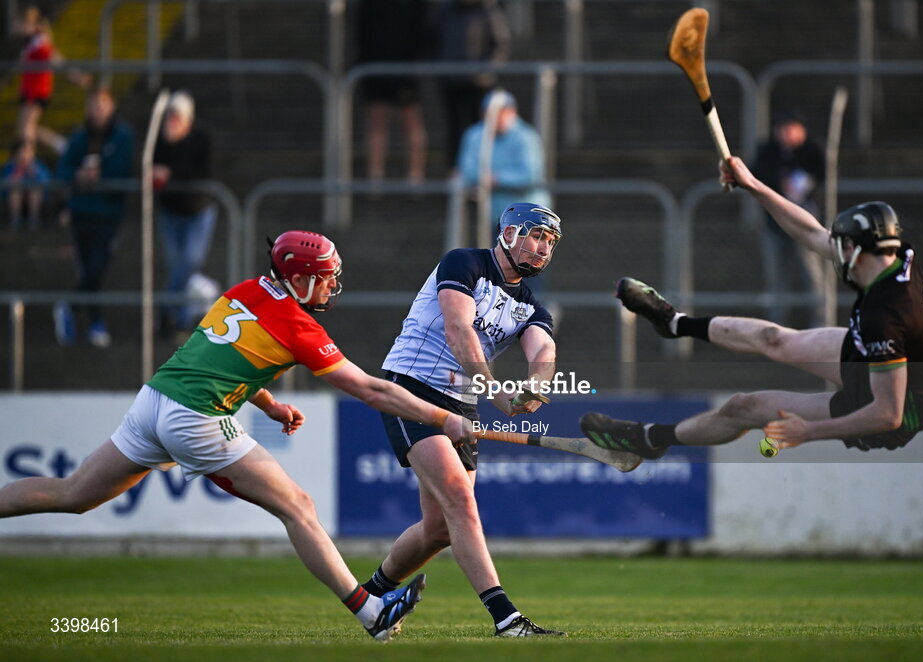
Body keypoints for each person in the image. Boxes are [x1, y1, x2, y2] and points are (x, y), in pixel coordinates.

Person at [0, 230, 479, 641]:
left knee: (75, 494)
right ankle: (370, 611)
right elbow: (373, 390)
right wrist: (443, 419)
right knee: (298, 507)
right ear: (299, 279)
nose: (333, 284)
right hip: (196, 416)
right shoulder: (299, 326)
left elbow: (225, 358)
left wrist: (269, 404)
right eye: (327, 276)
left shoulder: (246, 290)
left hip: (154, 401)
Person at [581, 156, 923, 455]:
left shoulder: (885, 316)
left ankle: (648, 439)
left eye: (841, 246)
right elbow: (811, 234)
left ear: (858, 251)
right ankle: (674, 323)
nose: (834, 250)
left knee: (746, 406)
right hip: (894, 362)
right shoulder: (891, 255)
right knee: (775, 338)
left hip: (899, 407)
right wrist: (754, 186)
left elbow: (887, 415)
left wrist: (808, 431)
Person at [365, 203, 566, 637]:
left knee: (439, 528)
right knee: (460, 499)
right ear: (508, 233)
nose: (543, 248)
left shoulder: (531, 306)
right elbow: (458, 329)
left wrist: (534, 386)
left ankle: (370, 597)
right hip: (412, 387)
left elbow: (543, 352)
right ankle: (506, 618)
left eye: (550, 242)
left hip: (462, 404)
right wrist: (496, 391)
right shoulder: (464, 262)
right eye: (536, 236)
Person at [53, 87, 134, 348]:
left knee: (97, 267)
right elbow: (63, 169)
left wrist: (101, 177)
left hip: (108, 213)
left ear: (112, 106)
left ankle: (70, 306)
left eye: (103, 105)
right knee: (88, 269)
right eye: (93, 105)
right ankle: (96, 322)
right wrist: (79, 176)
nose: (98, 111)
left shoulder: (122, 137)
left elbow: (124, 171)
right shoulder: (80, 137)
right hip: (82, 212)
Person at [751, 109, 826, 327]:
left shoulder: (812, 150)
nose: (786, 134)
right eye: (782, 130)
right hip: (773, 224)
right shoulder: (767, 151)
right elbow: (758, 174)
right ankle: (777, 320)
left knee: (811, 271)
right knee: (775, 274)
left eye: (791, 129)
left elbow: (820, 174)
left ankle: (820, 319)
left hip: (805, 226)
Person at [153, 91, 218, 340]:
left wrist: (172, 171)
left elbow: (204, 172)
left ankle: (166, 311)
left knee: (190, 260)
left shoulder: (201, 139)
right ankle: (178, 318)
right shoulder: (161, 141)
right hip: (171, 211)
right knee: (176, 264)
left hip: (197, 210)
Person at [457, 89, 550, 230]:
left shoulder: (526, 136)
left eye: (501, 112)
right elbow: (467, 169)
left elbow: (530, 175)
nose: (495, 118)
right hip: (492, 218)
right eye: (490, 113)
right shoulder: (475, 135)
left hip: (528, 219)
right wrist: (483, 178)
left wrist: (497, 179)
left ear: (512, 112)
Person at [357, 0, 429, 184]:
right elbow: (362, 29)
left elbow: (422, 28)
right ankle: (375, 178)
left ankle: (415, 177)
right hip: (375, 63)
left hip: (406, 66)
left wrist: (415, 62)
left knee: (410, 120)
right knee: (377, 120)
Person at [435, 0, 511, 169]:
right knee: (454, 131)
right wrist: (442, 68)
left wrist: (484, 73)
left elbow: (500, 46)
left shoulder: (489, 10)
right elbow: (434, 40)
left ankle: (481, 172)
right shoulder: (446, 11)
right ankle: (455, 174)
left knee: (481, 131)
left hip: (479, 85)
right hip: (451, 81)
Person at [15, 5, 89, 152]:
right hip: (28, 89)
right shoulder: (29, 42)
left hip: (37, 90)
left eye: (25, 23)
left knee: (27, 128)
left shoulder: (40, 41)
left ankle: (30, 159)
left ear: (33, 24)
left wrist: (76, 75)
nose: (21, 26)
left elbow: (55, 59)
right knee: (25, 128)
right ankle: (59, 145)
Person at [2, 138, 51, 231]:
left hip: (36, 200)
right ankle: (15, 220)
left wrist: (35, 174)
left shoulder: (38, 166)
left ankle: (34, 220)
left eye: (28, 152)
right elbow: (4, 183)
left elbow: (46, 182)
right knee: (15, 192)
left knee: (35, 192)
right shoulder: (9, 167)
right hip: (13, 200)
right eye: (22, 153)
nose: (25, 156)